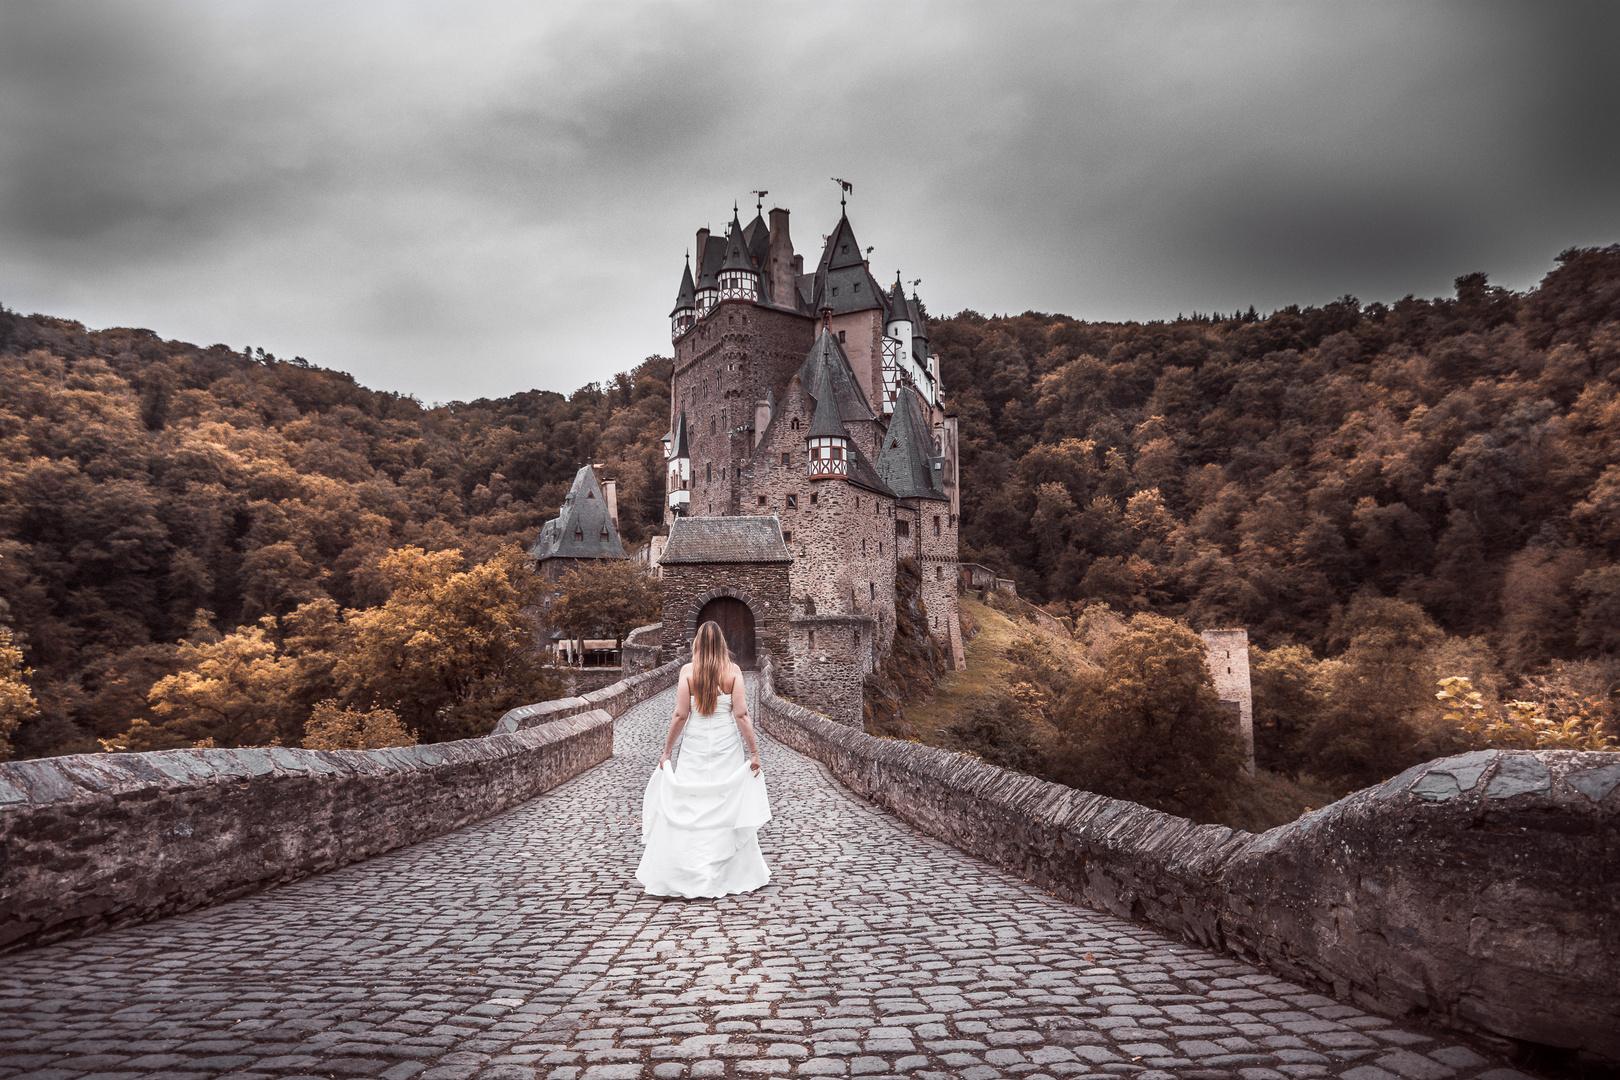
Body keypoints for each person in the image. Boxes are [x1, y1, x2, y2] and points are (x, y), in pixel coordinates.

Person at [636, 620, 771, 897]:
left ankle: (687, 869)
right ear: (722, 643)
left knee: (692, 802)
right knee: (725, 801)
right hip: (726, 743)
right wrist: (754, 753)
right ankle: (728, 871)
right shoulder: (732, 671)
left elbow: (681, 715)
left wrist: (666, 752)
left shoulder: (688, 671)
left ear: (697, 643)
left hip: (695, 744)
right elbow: (742, 715)